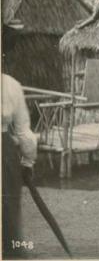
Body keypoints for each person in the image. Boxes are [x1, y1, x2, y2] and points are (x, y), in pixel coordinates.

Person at [2, 74, 37, 258]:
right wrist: (28, 161)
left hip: (4, 150)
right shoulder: (9, 84)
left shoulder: (10, 84)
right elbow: (23, 131)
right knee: (7, 204)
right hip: (4, 151)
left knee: (7, 202)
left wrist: (27, 161)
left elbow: (23, 131)